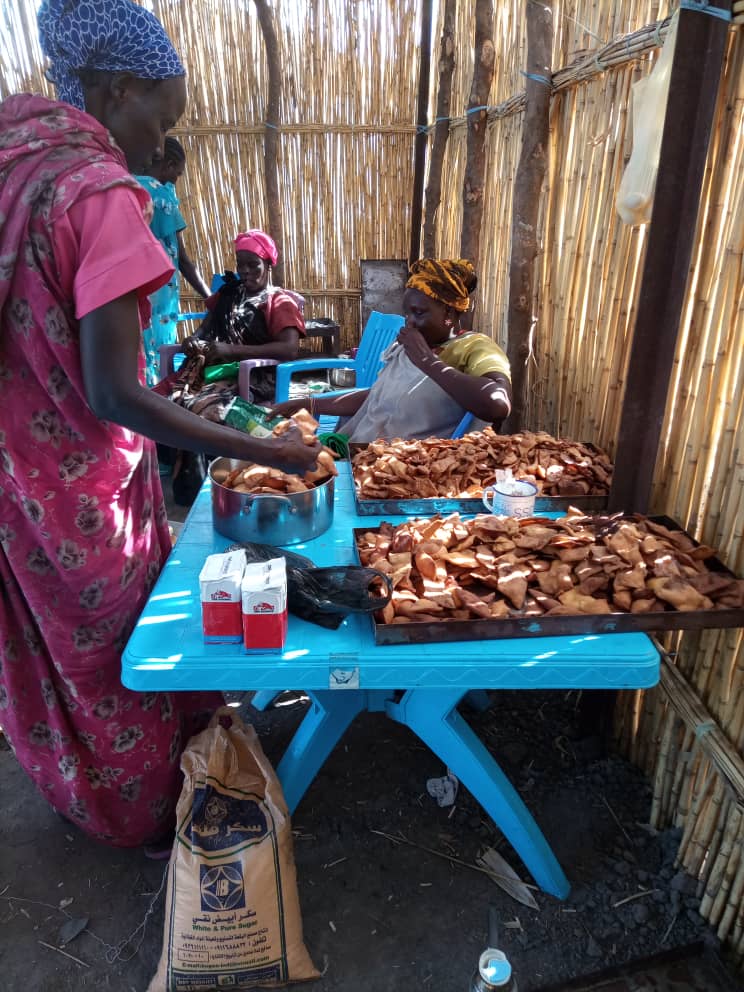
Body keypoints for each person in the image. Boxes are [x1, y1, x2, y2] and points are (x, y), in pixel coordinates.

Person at [0, 0, 319, 851]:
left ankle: (79, 792)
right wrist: (264, 449)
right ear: (116, 87)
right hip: (80, 491)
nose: (161, 147)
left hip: (15, 470)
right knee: (119, 652)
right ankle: (143, 814)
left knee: (52, 647)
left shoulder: (15, 164)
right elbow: (110, 394)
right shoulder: (96, 191)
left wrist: (174, 384)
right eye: (162, 118)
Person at [271, 258, 512, 441]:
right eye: (407, 313)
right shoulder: (416, 345)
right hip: (365, 448)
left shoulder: (475, 347)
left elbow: (498, 405)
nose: (409, 321)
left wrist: (428, 361)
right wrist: (310, 404)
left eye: (419, 313)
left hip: (404, 466)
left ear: (449, 313)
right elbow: (377, 398)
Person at [175, 228, 306, 411]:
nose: (245, 271)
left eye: (253, 265)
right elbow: (205, 328)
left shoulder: (278, 301)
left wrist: (232, 350)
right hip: (215, 369)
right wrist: (194, 339)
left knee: (202, 407)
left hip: (255, 374)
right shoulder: (228, 293)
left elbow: (289, 349)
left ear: (268, 264)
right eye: (240, 265)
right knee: (168, 402)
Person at [135, 136, 210, 387]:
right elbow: (184, 260)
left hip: (131, 288)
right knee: (158, 351)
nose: (175, 180)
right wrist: (210, 296)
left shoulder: (126, 188)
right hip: (158, 292)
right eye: (177, 174)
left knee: (138, 351)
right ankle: (154, 401)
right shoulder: (161, 197)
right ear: (167, 164)